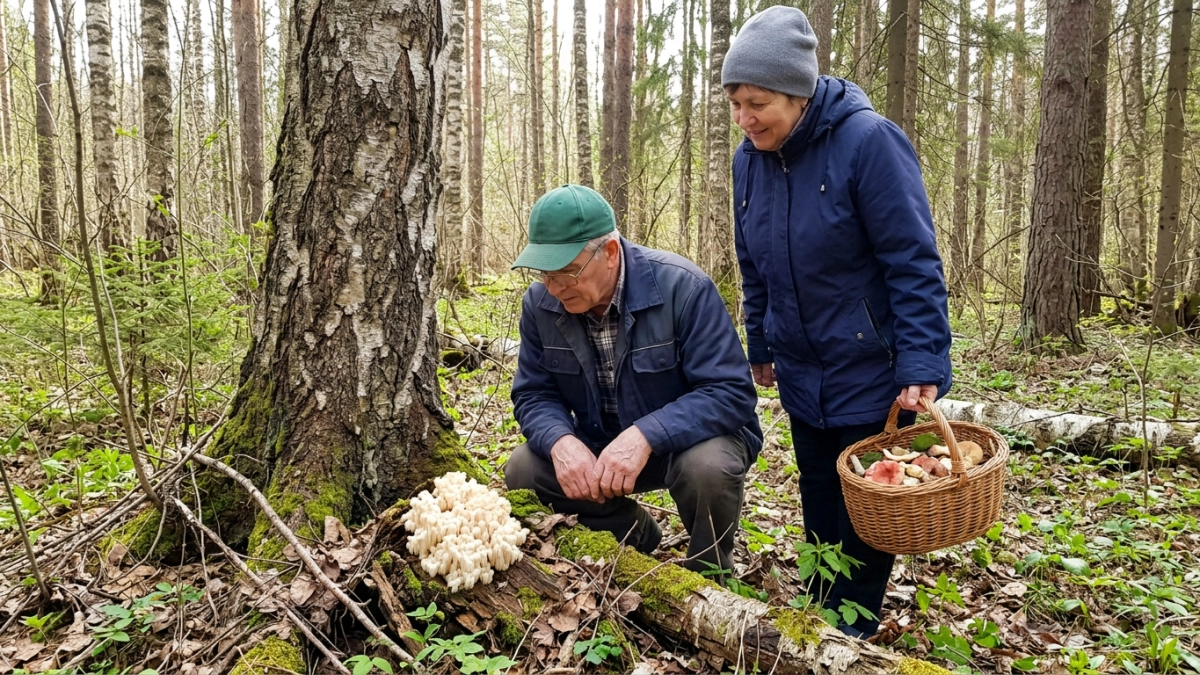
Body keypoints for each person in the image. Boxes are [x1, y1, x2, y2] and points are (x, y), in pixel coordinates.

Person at [722, 6, 953, 638]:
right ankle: (821, 616)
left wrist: (923, 360)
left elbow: (912, 259)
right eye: (736, 103)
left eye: (758, 102)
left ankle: (849, 631)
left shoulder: (869, 142)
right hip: (802, 366)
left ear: (796, 92)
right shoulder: (749, 160)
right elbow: (754, 263)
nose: (745, 119)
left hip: (869, 367)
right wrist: (761, 340)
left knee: (867, 506)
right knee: (820, 492)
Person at [504, 184, 763, 575]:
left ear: (609, 253)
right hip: (601, 442)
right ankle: (634, 535)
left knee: (708, 467)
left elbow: (730, 392)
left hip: (688, 443)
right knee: (524, 469)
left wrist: (646, 435)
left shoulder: (683, 288)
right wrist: (561, 441)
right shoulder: (540, 304)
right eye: (545, 274)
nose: (555, 288)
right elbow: (534, 393)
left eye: (566, 273)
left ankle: (709, 578)